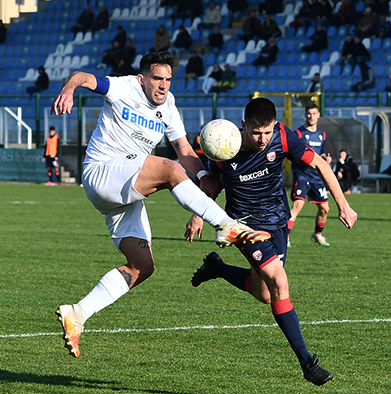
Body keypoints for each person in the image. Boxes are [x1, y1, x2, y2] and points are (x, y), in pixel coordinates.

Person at [51, 51, 271, 359]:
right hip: (104, 171)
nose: (163, 85)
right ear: (142, 79)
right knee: (168, 170)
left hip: (125, 188)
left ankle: (78, 313)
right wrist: (69, 89)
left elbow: (183, 148)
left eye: (168, 79)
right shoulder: (124, 87)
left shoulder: (168, 106)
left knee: (143, 266)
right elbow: (83, 78)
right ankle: (227, 226)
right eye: (157, 78)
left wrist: (205, 175)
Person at [184, 97, 357, 386]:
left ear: (274, 126)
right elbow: (209, 183)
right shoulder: (225, 146)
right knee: (279, 282)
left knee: (264, 294)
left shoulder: (285, 137)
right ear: (243, 126)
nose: (263, 139)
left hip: (277, 222)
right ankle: (307, 362)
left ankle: (217, 268)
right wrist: (197, 215)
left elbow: (322, 167)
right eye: (256, 133)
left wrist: (343, 205)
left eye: (267, 132)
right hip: (244, 227)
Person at [288, 103, 332, 247]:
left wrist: (326, 158)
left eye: (314, 113)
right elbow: (291, 154)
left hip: (316, 176)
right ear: (305, 115)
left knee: (325, 208)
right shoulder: (298, 134)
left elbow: (323, 152)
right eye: (308, 113)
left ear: (318, 114)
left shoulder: (322, 134)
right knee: (298, 205)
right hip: (302, 174)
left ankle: (317, 234)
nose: (311, 116)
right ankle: (285, 238)